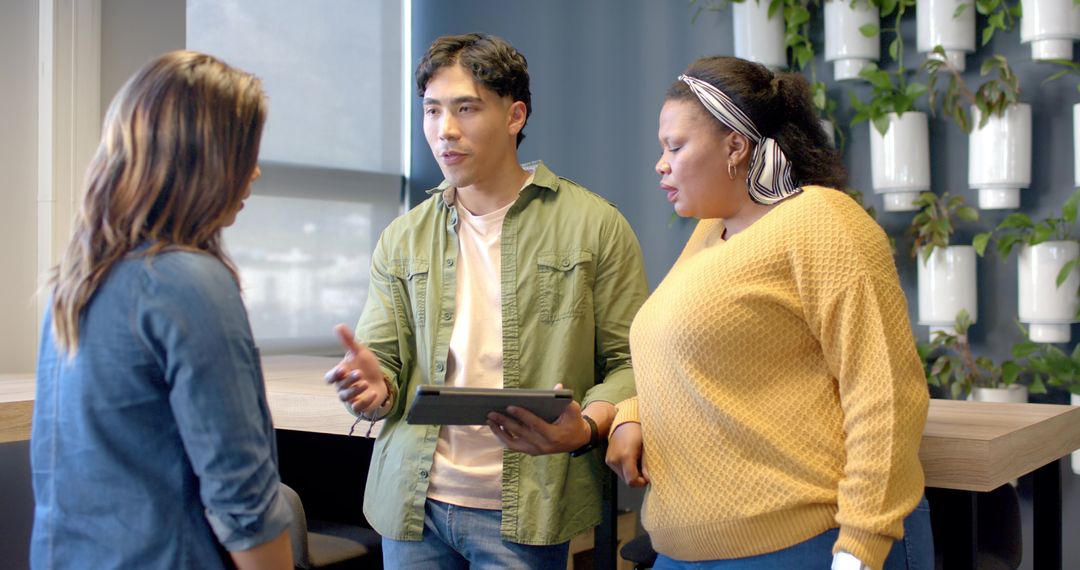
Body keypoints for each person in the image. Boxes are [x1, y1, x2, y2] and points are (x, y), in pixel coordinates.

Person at [324, 33, 648, 568]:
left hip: (528, 508)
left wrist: (587, 425)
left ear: (514, 115)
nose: (444, 130)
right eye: (431, 111)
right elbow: (383, 369)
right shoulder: (402, 238)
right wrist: (371, 386)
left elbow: (631, 360)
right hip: (412, 504)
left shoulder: (595, 225)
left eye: (465, 109)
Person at [605, 56, 933, 570]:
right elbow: (677, 350)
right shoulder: (710, 233)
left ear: (735, 146)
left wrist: (860, 548)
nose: (661, 164)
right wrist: (632, 415)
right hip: (681, 552)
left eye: (675, 146)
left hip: (807, 545)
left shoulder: (821, 220)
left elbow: (885, 391)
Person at [31, 51, 292, 570]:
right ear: (205, 158)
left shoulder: (77, 280)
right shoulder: (189, 283)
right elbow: (243, 502)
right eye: (246, 152)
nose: (256, 171)